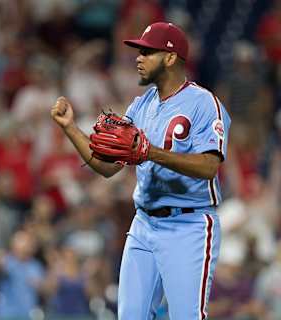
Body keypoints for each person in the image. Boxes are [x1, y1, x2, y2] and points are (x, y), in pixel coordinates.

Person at [50, 22, 231, 320]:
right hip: (144, 225)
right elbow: (107, 168)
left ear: (171, 58)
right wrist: (70, 128)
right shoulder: (141, 105)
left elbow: (209, 166)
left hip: (189, 226)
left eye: (147, 52)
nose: (138, 58)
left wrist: (151, 152)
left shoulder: (203, 104)